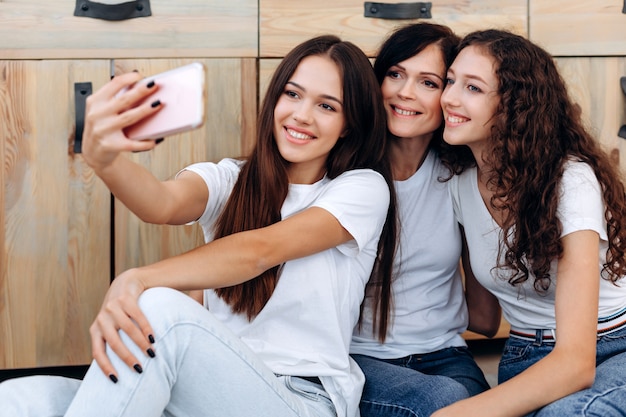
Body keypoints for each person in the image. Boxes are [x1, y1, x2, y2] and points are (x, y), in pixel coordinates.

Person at [0, 35, 397, 417]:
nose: (301, 115)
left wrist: (139, 279)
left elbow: (260, 251)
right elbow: (161, 203)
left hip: (301, 398)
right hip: (200, 388)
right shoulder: (231, 179)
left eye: (327, 106)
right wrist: (103, 160)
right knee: (19, 397)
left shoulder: (361, 190)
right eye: (291, 94)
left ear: (348, 124)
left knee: (160, 308)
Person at [435, 28, 626, 417]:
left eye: (472, 88)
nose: (448, 98)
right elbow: (485, 318)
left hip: (611, 346)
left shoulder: (570, 181)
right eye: (450, 81)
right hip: (524, 353)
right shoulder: (458, 184)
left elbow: (575, 362)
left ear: (515, 105)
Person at [350, 22, 491, 417]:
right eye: (395, 74)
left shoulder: (461, 176)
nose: (405, 92)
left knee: (483, 406)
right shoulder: (345, 175)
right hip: (357, 357)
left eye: (428, 82)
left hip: (445, 356)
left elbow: (484, 316)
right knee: (443, 404)